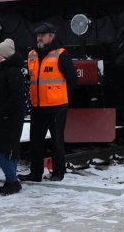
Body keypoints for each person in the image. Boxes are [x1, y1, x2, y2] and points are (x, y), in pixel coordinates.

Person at [18, 22, 78, 182]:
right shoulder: (32, 54)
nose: (39, 38)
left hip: (56, 106)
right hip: (38, 106)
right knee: (35, 141)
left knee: (57, 141)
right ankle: (35, 173)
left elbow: (72, 79)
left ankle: (58, 172)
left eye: (42, 35)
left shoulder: (61, 54)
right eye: (38, 35)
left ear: (51, 37)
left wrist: (60, 95)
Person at [0, 39, 26, 195]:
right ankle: (11, 180)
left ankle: (12, 181)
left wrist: (3, 112)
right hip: (1, 117)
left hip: (7, 118)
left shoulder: (11, 71)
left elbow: (16, 97)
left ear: (6, 55)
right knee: (5, 150)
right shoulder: (3, 70)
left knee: (2, 150)